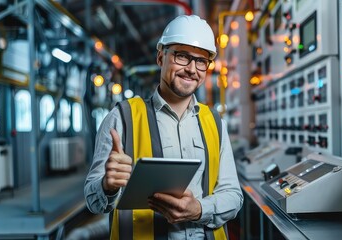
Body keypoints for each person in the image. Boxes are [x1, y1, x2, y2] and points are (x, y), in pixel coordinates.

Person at [84, 14, 243, 240]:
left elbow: (233, 196)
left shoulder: (215, 123)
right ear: (161, 57)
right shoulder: (122, 118)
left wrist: (199, 209)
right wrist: (107, 186)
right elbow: (92, 202)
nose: (191, 69)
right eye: (181, 56)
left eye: (201, 61)